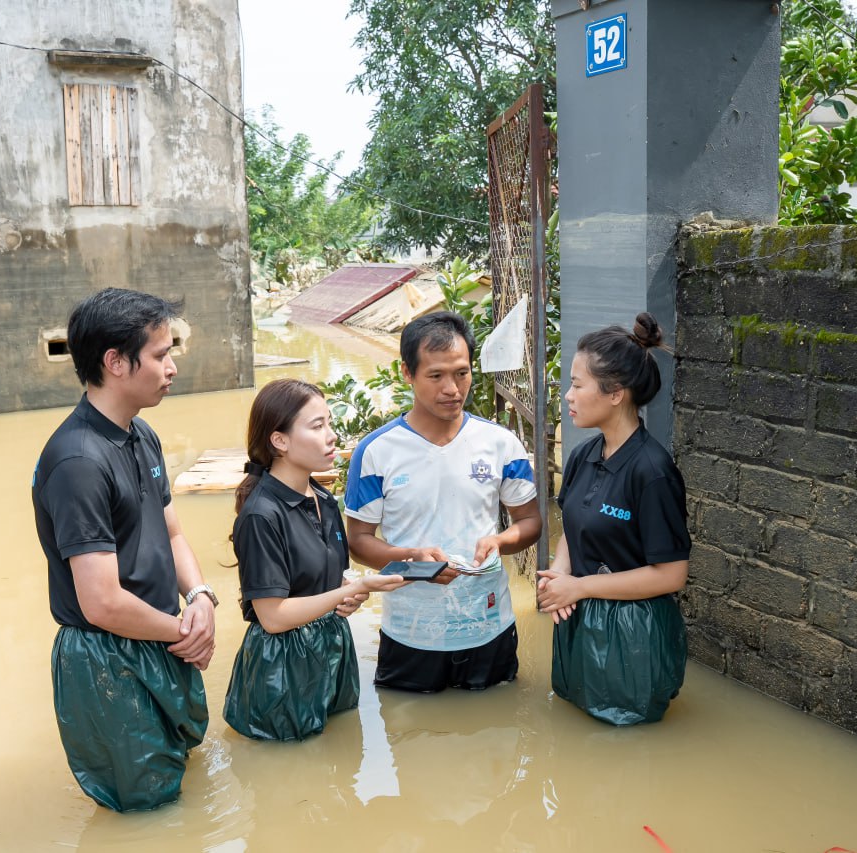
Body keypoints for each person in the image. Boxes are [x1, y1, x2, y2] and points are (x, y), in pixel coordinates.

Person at [31, 287, 216, 812]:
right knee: (145, 807)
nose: (172, 368)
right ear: (115, 362)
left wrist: (200, 596)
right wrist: (187, 632)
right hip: (107, 657)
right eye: (160, 355)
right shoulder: (79, 462)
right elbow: (102, 602)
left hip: (160, 632)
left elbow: (171, 532)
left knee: (181, 775)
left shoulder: (140, 434)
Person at [344, 311, 542, 693]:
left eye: (462, 373)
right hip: (411, 632)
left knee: (497, 719)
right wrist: (413, 558)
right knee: (409, 722)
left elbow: (530, 521)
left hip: (489, 624)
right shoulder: (376, 452)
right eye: (436, 376)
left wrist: (500, 541)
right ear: (407, 373)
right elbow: (358, 541)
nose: (452, 389)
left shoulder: (501, 444)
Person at [224, 379, 406, 741]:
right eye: (317, 426)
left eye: (329, 423)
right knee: (291, 761)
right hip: (283, 665)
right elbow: (273, 617)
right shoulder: (262, 515)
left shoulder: (323, 499)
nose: (332, 435)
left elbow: (322, 582)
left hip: (332, 647)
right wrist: (352, 589)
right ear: (280, 440)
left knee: (343, 751)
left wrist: (349, 592)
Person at [536, 312, 690, 725]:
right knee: (573, 728)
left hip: (633, 633)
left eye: (577, 384)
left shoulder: (652, 472)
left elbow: (671, 575)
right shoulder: (582, 455)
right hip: (578, 617)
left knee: (626, 740)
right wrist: (559, 575)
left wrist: (579, 586)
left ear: (616, 393)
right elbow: (573, 526)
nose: (567, 396)